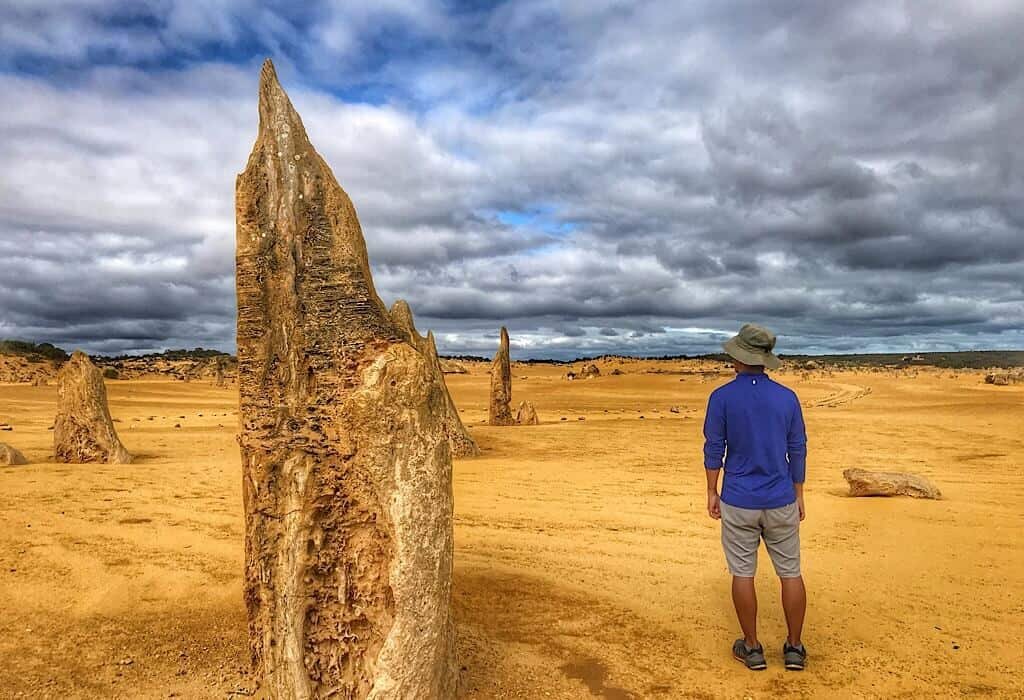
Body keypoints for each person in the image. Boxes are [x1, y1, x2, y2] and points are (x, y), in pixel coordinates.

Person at [703, 323, 808, 671]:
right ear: (764, 360)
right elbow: (798, 449)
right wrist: (798, 494)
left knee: (743, 574)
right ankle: (794, 648)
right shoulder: (787, 398)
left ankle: (751, 647)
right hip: (781, 498)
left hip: (739, 499)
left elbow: (714, 449)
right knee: (790, 573)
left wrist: (711, 491)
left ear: (738, 358)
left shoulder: (721, 398)